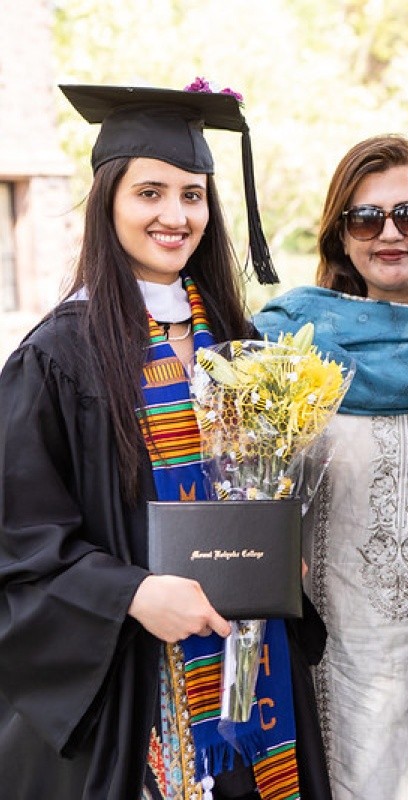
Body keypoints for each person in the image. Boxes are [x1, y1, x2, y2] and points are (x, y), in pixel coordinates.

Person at [0, 82, 330, 799]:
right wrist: (133, 593)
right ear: (108, 202)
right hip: (140, 693)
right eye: (150, 193)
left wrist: (279, 552)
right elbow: (19, 539)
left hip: (252, 674)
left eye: (192, 195)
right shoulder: (61, 356)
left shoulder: (244, 347)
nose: (175, 216)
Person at [254, 134, 408, 799]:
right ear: (340, 235)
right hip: (329, 648)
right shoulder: (287, 340)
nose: (389, 234)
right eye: (366, 218)